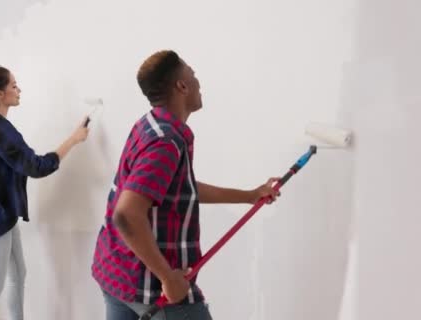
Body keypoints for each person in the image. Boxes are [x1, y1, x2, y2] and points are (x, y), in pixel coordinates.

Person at [91, 50, 280, 320]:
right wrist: (167, 277)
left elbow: (180, 189)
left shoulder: (149, 125)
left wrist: (249, 195)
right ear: (181, 85)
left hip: (116, 274)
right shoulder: (166, 142)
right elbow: (126, 214)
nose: (198, 81)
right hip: (153, 288)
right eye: (193, 74)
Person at [0, 65, 89, 320]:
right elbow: (36, 167)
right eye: (14, 86)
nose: (19, 90)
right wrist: (74, 139)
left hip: (2, 216)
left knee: (18, 276)